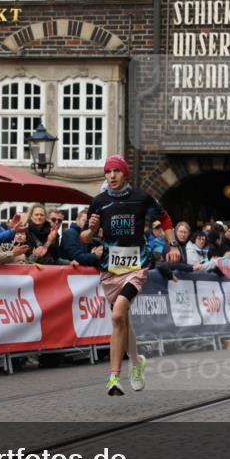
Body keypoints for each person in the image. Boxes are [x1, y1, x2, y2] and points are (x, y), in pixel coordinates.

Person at [81, 154, 178, 396]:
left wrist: (173, 245)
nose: (112, 176)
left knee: (117, 315)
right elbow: (84, 238)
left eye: (116, 171)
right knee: (123, 320)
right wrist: (91, 229)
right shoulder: (99, 201)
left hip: (137, 267)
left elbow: (164, 218)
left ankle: (114, 377)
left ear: (125, 174)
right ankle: (136, 363)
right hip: (110, 270)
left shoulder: (140, 197)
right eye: (108, 172)